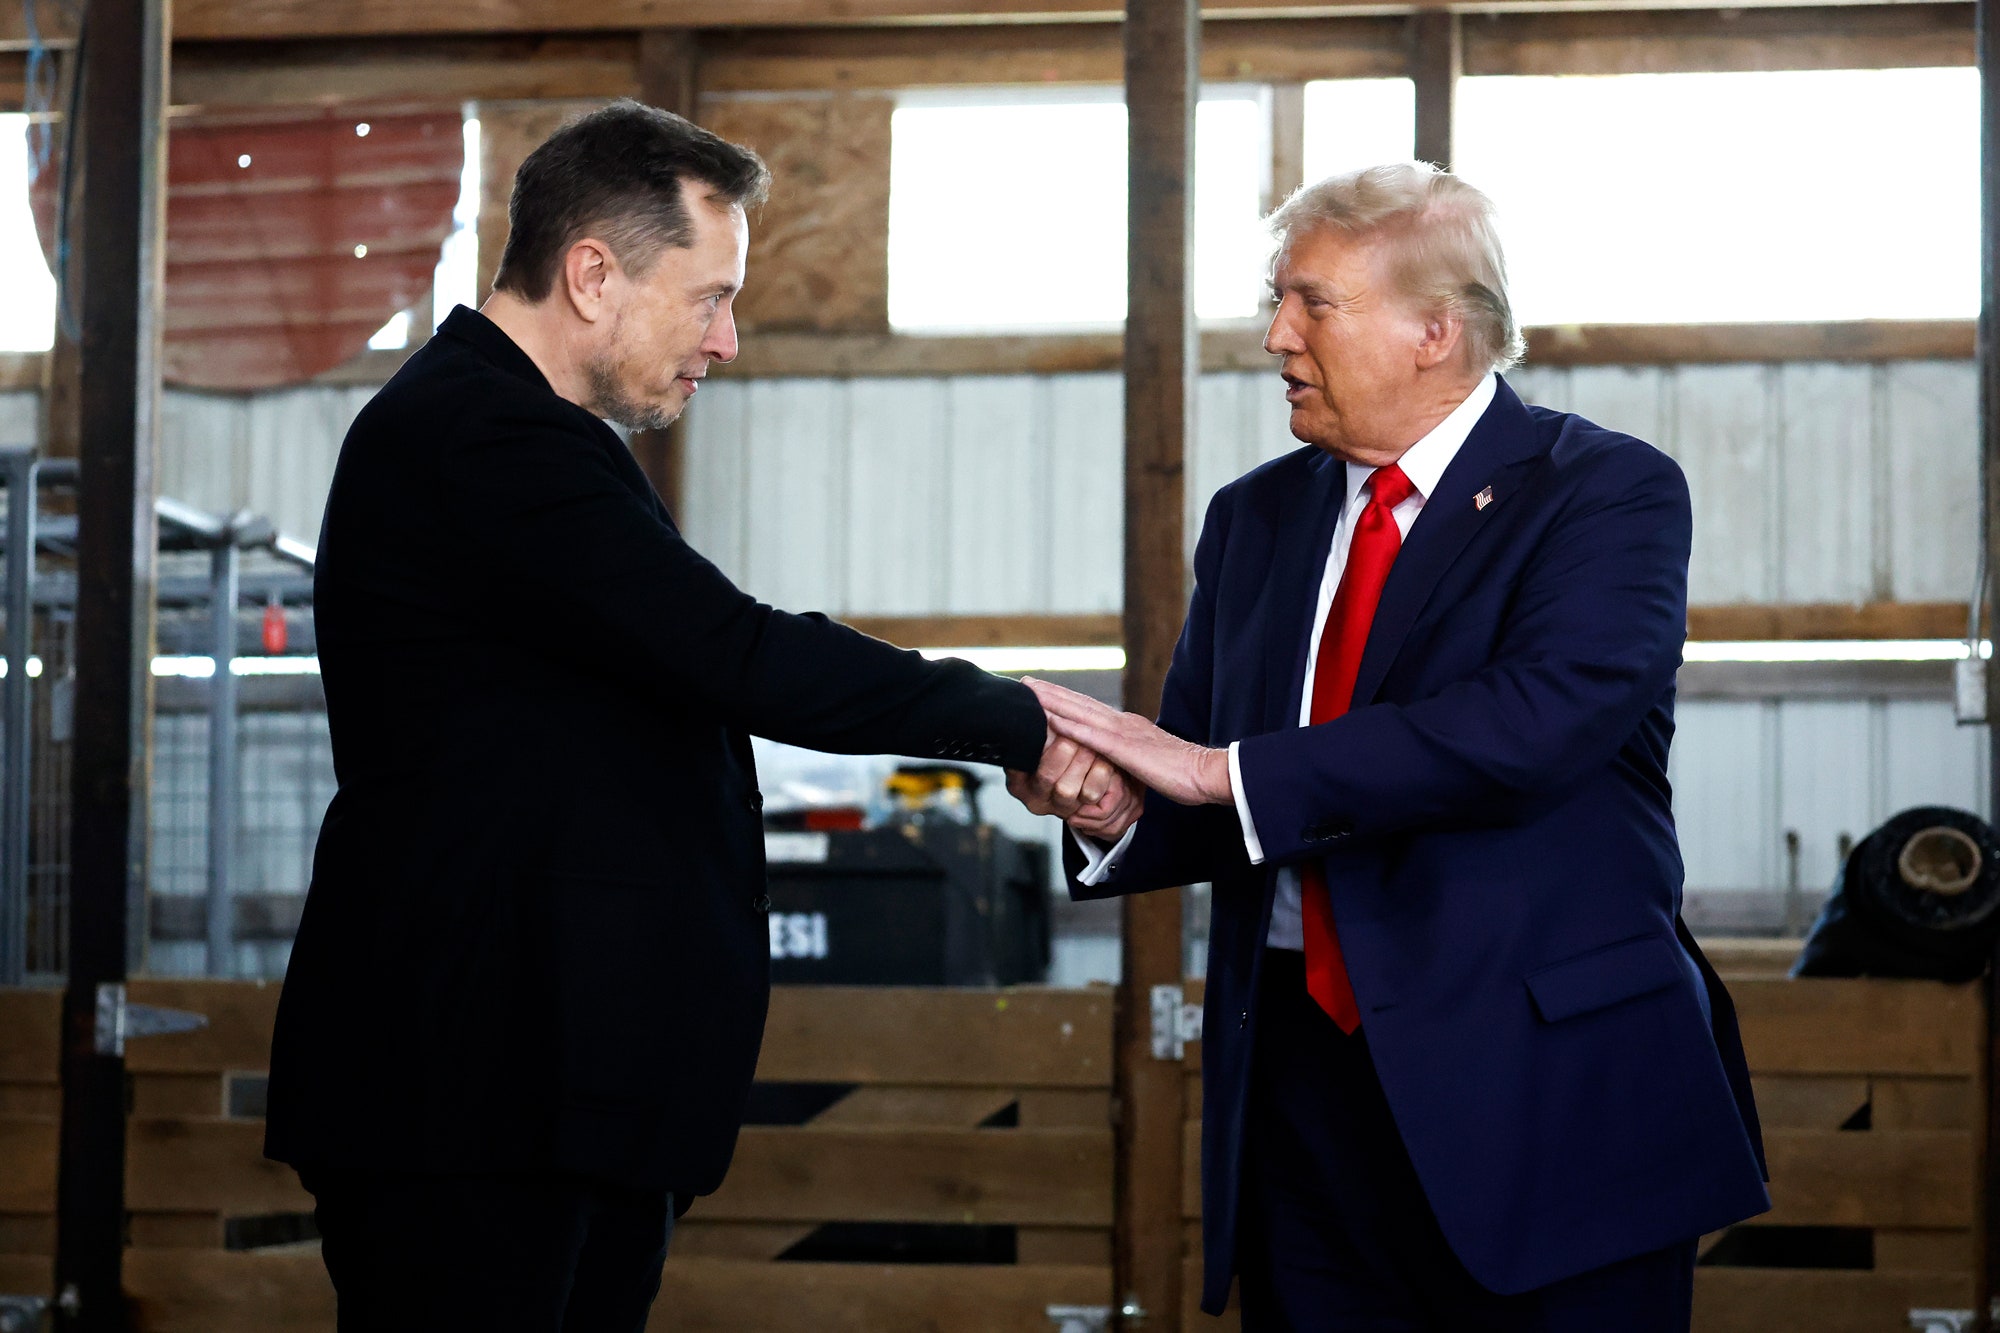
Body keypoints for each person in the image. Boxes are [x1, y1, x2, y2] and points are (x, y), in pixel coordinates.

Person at [265, 100, 1125, 1332]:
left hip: (540, 1082)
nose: (724, 340)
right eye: (707, 295)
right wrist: (1024, 720)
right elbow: (737, 654)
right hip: (475, 1087)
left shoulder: (521, 434)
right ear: (592, 273)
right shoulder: (480, 436)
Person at [1017, 162, 1769, 1331]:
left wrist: (1221, 772)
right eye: (1276, 300)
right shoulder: (1252, 518)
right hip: (1302, 1094)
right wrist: (1113, 808)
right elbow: (1201, 770)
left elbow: (1535, 723)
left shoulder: (1604, 493)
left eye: (1311, 302)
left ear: (1435, 329)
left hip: (1542, 1088)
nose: (1273, 336)